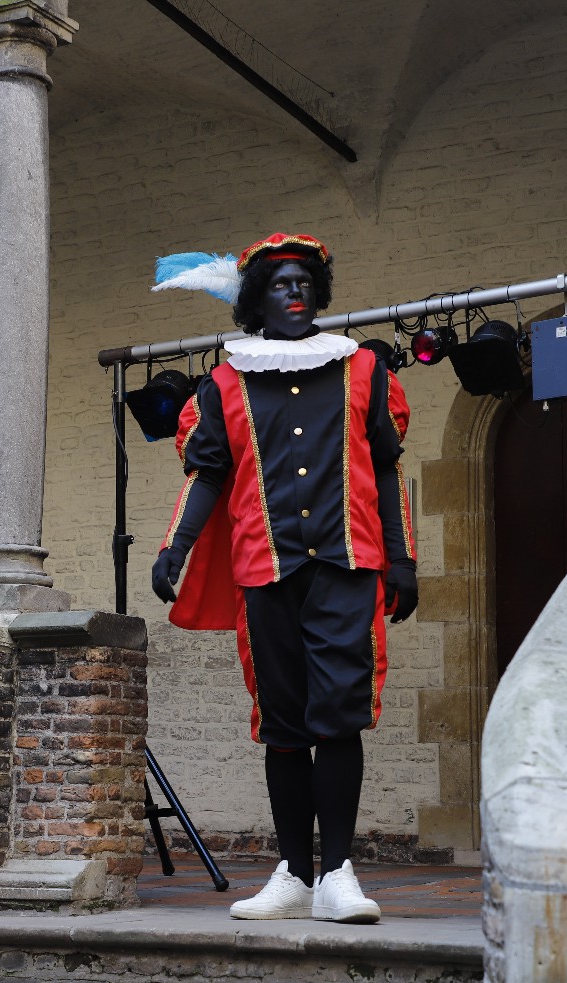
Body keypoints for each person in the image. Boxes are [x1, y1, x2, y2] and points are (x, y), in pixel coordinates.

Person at [151, 232, 417, 924]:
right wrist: (176, 547)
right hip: (264, 571)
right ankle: (294, 873)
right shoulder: (225, 384)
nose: (294, 292)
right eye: (278, 283)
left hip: (347, 566)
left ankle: (338, 875)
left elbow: (385, 468)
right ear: (256, 299)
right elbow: (208, 474)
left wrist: (403, 558)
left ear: (318, 293)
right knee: (284, 724)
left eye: (303, 282)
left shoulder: (364, 370)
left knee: (340, 718)